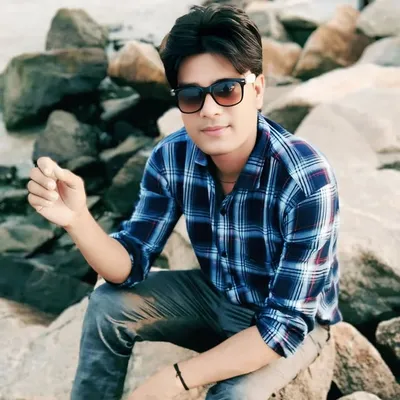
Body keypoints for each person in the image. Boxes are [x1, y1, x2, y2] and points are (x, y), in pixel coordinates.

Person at [27, 4, 342, 400]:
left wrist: (173, 378)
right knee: (107, 305)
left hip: (292, 323)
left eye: (227, 90)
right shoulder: (172, 157)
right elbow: (129, 265)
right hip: (214, 296)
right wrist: (78, 220)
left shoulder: (305, 179)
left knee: (233, 396)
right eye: (191, 96)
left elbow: (285, 324)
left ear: (258, 89)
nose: (209, 110)